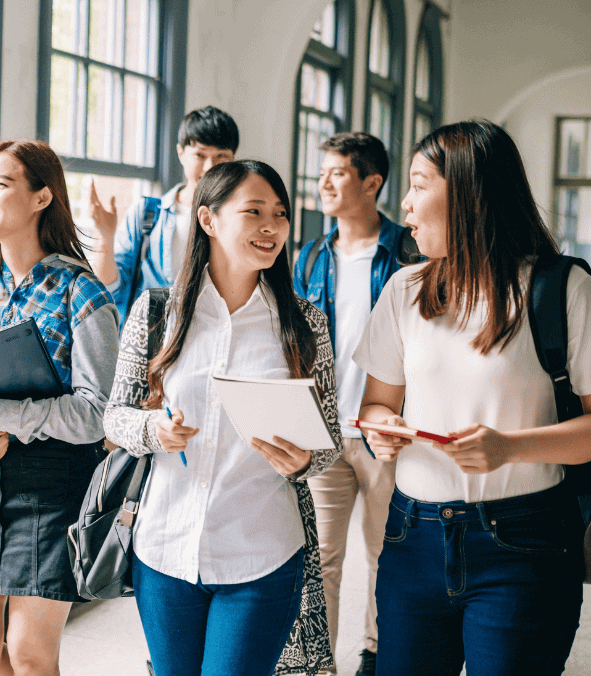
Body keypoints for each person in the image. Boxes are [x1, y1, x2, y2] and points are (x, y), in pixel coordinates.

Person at [354, 120, 591, 676]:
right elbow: (376, 405)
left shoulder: (563, 289)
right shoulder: (404, 290)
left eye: (418, 184)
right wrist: (381, 429)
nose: (405, 204)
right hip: (412, 536)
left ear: (467, 193)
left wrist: (508, 448)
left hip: (523, 544)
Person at [104, 160, 343, 676]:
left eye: (279, 215)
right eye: (253, 212)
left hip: (262, 553)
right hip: (163, 550)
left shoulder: (306, 326)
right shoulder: (155, 314)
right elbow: (114, 417)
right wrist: (154, 431)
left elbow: (329, 442)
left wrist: (305, 458)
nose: (270, 227)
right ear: (208, 220)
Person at [0, 140, 120, 676]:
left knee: (31, 656)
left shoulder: (81, 292)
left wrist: (6, 416)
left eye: (1, 184)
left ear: (42, 197)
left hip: (52, 484)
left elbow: (97, 413)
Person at [292, 132, 407, 676]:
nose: (324, 182)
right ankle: (322, 663)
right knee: (320, 561)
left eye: (338, 172)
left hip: (388, 433)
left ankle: (373, 653)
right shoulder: (310, 257)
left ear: (372, 182)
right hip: (323, 432)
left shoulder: (410, 252)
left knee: (387, 556)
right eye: (323, 172)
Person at [89, 105, 239, 324]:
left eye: (220, 156)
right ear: (181, 153)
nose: (209, 166)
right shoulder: (148, 214)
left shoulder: (240, 219)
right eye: (200, 155)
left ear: (233, 159)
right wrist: (104, 239)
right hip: (151, 345)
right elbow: (111, 290)